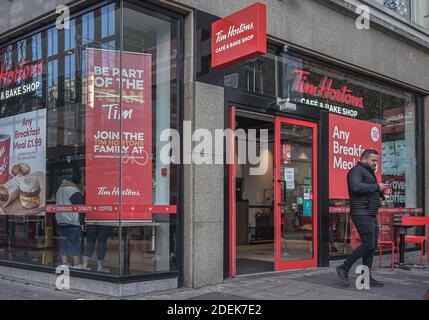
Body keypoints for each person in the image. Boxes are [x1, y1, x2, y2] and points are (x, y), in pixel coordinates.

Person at [336, 149, 389, 288]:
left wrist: (381, 193)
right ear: (364, 159)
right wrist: (377, 186)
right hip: (361, 213)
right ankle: (344, 267)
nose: (375, 163)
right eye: (373, 160)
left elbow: (369, 190)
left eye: (376, 161)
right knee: (369, 244)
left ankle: (366, 277)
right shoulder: (356, 171)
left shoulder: (368, 172)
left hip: (370, 213)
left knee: (372, 247)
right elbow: (355, 187)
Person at [55, 170, 85, 268]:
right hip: (72, 222)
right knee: (75, 244)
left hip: (61, 221)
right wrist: (82, 222)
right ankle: (76, 264)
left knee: (64, 244)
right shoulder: (73, 190)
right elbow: (79, 207)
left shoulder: (59, 189)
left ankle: (65, 263)